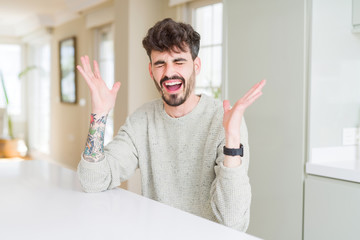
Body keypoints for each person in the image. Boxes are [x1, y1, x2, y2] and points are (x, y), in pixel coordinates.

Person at [77, 18, 265, 232]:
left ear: (196, 66)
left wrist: (232, 141)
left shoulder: (225, 122)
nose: (169, 73)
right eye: (160, 64)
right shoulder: (142, 120)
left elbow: (233, 221)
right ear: (151, 71)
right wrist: (99, 115)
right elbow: (93, 181)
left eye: (179, 62)